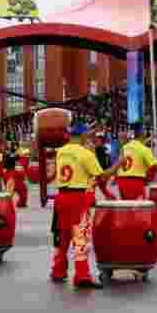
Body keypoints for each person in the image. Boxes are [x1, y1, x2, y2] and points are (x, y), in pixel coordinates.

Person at [50, 122, 119, 288]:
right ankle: (82, 276)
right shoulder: (85, 153)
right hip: (78, 198)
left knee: (62, 236)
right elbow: (101, 177)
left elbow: (52, 174)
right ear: (82, 136)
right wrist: (118, 164)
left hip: (61, 197)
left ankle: (58, 270)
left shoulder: (60, 152)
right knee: (81, 237)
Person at [115, 124, 157, 200]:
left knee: (126, 207)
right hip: (136, 180)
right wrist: (148, 179)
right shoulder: (144, 149)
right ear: (143, 134)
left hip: (121, 180)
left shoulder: (125, 147)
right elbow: (154, 166)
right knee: (138, 208)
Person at [1, 141, 29, 208]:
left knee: (14, 191)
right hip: (11, 175)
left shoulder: (8, 153)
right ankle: (20, 203)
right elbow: (13, 158)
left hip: (9, 174)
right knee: (20, 190)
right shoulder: (6, 154)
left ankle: (19, 203)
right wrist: (19, 155)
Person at [93, 133, 117, 199]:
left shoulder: (99, 148)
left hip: (102, 172)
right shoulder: (104, 148)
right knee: (103, 189)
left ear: (101, 141)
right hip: (105, 171)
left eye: (97, 140)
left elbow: (103, 162)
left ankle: (91, 200)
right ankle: (112, 198)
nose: (96, 141)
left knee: (93, 185)